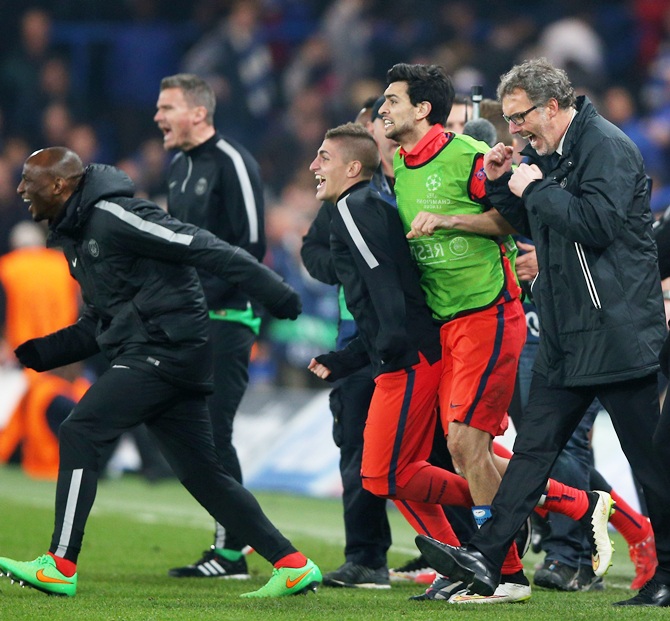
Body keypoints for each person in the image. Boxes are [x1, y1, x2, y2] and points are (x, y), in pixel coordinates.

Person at [0, 146, 321, 598]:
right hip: (157, 349)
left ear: (58, 185)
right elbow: (98, 322)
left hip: (165, 348)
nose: (19, 189)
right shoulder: (75, 237)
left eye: (28, 180)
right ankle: (293, 564)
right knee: (203, 475)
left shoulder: (114, 215)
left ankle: (59, 563)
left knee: (80, 429)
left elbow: (200, 244)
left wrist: (275, 292)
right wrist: (35, 354)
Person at [415, 57, 670, 608]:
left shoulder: (607, 145)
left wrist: (533, 188)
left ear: (553, 106)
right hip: (567, 332)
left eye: (520, 117)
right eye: (508, 120)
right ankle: (487, 559)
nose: (515, 129)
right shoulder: (549, 153)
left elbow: (598, 225)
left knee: (650, 461)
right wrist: (507, 184)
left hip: (617, 332)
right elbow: (535, 223)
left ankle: (668, 570)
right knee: (533, 454)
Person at [377, 62, 535, 595]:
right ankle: (561, 510)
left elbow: (511, 221)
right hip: (447, 325)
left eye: (392, 101)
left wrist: (450, 220)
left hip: (488, 313)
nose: (383, 109)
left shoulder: (465, 154)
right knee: (465, 447)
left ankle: (505, 573)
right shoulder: (401, 164)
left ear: (422, 109)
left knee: (466, 443)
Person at [154, 72, 265, 579]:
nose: (158, 116)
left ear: (198, 113)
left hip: (227, 319)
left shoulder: (234, 162)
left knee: (214, 435)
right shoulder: (177, 166)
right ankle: (230, 545)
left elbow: (253, 246)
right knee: (195, 439)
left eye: (167, 107)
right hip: (188, 321)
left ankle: (231, 552)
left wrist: (200, 296)